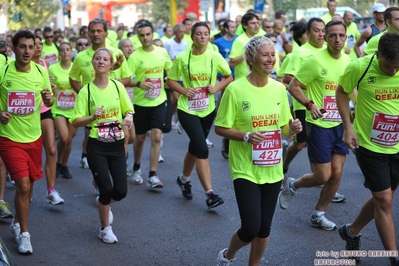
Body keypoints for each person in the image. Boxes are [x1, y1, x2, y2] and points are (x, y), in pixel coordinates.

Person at [215, 35, 302, 265]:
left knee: (264, 228)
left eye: (273, 55)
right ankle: (227, 256)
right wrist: (245, 136)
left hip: (272, 167)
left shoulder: (279, 89)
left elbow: (284, 128)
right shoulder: (235, 89)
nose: (271, 59)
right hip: (245, 168)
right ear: (251, 59)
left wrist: (292, 128)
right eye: (265, 54)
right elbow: (220, 128)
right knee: (250, 227)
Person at [279, 20, 352, 230]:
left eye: (341, 35)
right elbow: (293, 86)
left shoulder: (349, 61)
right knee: (323, 176)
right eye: (332, 35)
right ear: (325, 38)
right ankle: (293, 184)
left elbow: (350, 91)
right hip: (319, 124)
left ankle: (318, 213)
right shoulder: (314, 60)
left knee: (336, 174)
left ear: (345, 37)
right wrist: (309, 104)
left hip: (340, 123)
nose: (337, 39)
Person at [336, 32, 399, 265]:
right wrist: (348, 127)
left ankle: (351, 231)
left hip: (397, 144)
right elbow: (341, 91)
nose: (393, 72)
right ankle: (393, 258)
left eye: (397, 68)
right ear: (378, 54)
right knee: (384, 199)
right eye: (389, 67)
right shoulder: (359, 67)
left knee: (385, 196)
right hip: (369, 143)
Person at [71, 48, 134, 244]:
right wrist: (92, 117)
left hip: (116, 144)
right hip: (96, 145)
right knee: (105, 188)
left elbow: (128, 108)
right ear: (93, 63)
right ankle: (105, 228)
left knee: (121, 191)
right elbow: (75, 120)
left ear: (110, 64)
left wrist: (129, 116)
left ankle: (103, 204)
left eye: (105, 59)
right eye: (97, 58)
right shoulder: (86, 90)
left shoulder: (117, 87)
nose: (101, 62)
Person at [167, 21, 233, 209]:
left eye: (205, 33)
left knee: (195, 147)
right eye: (198, 34)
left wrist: (216, 87)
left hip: (207, 109)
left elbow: (229, 77)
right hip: (187, 109)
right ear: (192, 36)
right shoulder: (182, 58)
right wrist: (184, 90)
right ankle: (209, 194)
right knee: (202, 148)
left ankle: (184, 179)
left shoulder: (214, 56)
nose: (202, 37)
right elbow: (170, 81)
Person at [0, 30, 53, 254]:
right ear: (13, 47)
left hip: (33, 137)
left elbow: (48, 98)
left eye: (31, 47)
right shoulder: (2, 72)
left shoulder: (41, 71)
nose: (27, 51)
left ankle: (16, 223)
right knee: (22, 185)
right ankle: (24, 233)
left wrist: (51, 98)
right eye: (22, 47)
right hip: (9, 137)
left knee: (29, 187)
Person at [69, 18, 131, 171]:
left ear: (106, 33)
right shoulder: (81, 56)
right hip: (93, 111)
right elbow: (73, 79)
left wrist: (114, 89)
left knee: (127, 136)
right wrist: (86, 96)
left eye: (99, 31)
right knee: (96, 141)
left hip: (114, 107)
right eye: (92, 31)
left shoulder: (116, 53)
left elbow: (127, 78)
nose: (95, 34)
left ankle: (118, 168)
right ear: (88, 33)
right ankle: (99, 178)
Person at [127, 21, 172, 188]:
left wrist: (168, 79)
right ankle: (137, 168)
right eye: (142, 35)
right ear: (138, 37)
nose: (145, 38)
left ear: (153, 34)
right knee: (139, 140)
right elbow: (126, 78)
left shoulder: (162, 52)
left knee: (157, 136)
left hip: (159, 101)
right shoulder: (135, 56)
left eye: (148, 34)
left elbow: (170, 69)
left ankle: (153, 174)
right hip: (140, 103)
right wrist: (139, 84)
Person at [32, 35, 64, 205]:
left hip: (45, 110)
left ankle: (51, 191)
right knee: (33, 153)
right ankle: (27, 188)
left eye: (39, 44)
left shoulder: (45, 64)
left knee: (51, 150)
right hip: (29, 113)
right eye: (34, 45)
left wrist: (51, 90)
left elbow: (48, 89)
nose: (37, 47)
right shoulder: (22, 67)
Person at [49, 42, 77, 183]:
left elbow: (81, 87)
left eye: (68, 50)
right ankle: (59, 163)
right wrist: (50, 86)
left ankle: (63, 166)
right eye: (62, 50)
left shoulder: (76, 69)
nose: (65, 52)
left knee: (70, 140)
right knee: (64, 138)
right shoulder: (52, 68)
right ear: (59, 53)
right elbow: (48, 86)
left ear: (72, 52)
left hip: (74, 109)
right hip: (58, 108)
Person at [230, 12, 260, 80]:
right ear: (245, 25)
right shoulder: (239, 40)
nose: (256, 26)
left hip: (256, 79)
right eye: (253, 23)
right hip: (242, 79)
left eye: (257, 23)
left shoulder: (259, 39)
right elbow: (232, 63)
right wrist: (248, 53)